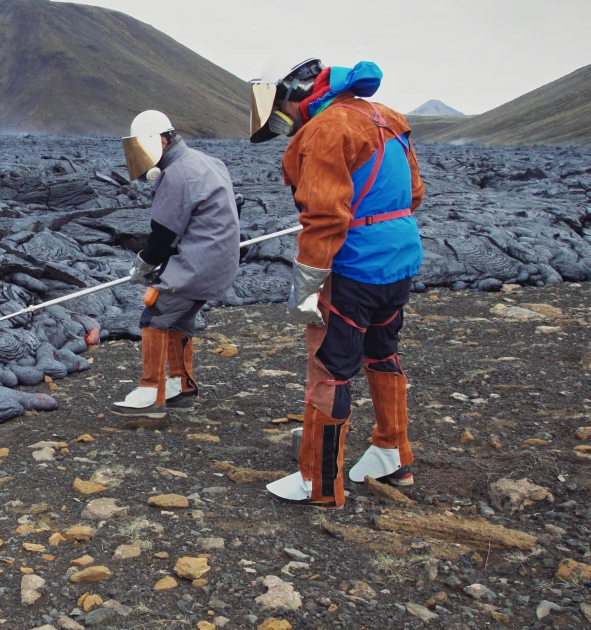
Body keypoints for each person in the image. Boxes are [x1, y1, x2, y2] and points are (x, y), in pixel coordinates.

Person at [249, 59, 425, 508]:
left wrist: (307, 282)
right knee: (382, 351)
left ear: (296, 97)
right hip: (398, 259)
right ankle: (392, 453)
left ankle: (319, 482)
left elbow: (326, 216)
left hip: (353, 266)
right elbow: (415, 193)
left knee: (328, 369)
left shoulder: (326, 129)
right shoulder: (385, 116)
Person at [112, 110, 240, 419]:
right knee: (179, 321)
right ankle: (182, 387)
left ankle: (151, 394)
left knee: (154, 316)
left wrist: (143, 266)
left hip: (197, 264)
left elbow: (163, 236)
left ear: (164, 141)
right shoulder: (205, 161)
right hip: (218, 261)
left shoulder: (178, 174)